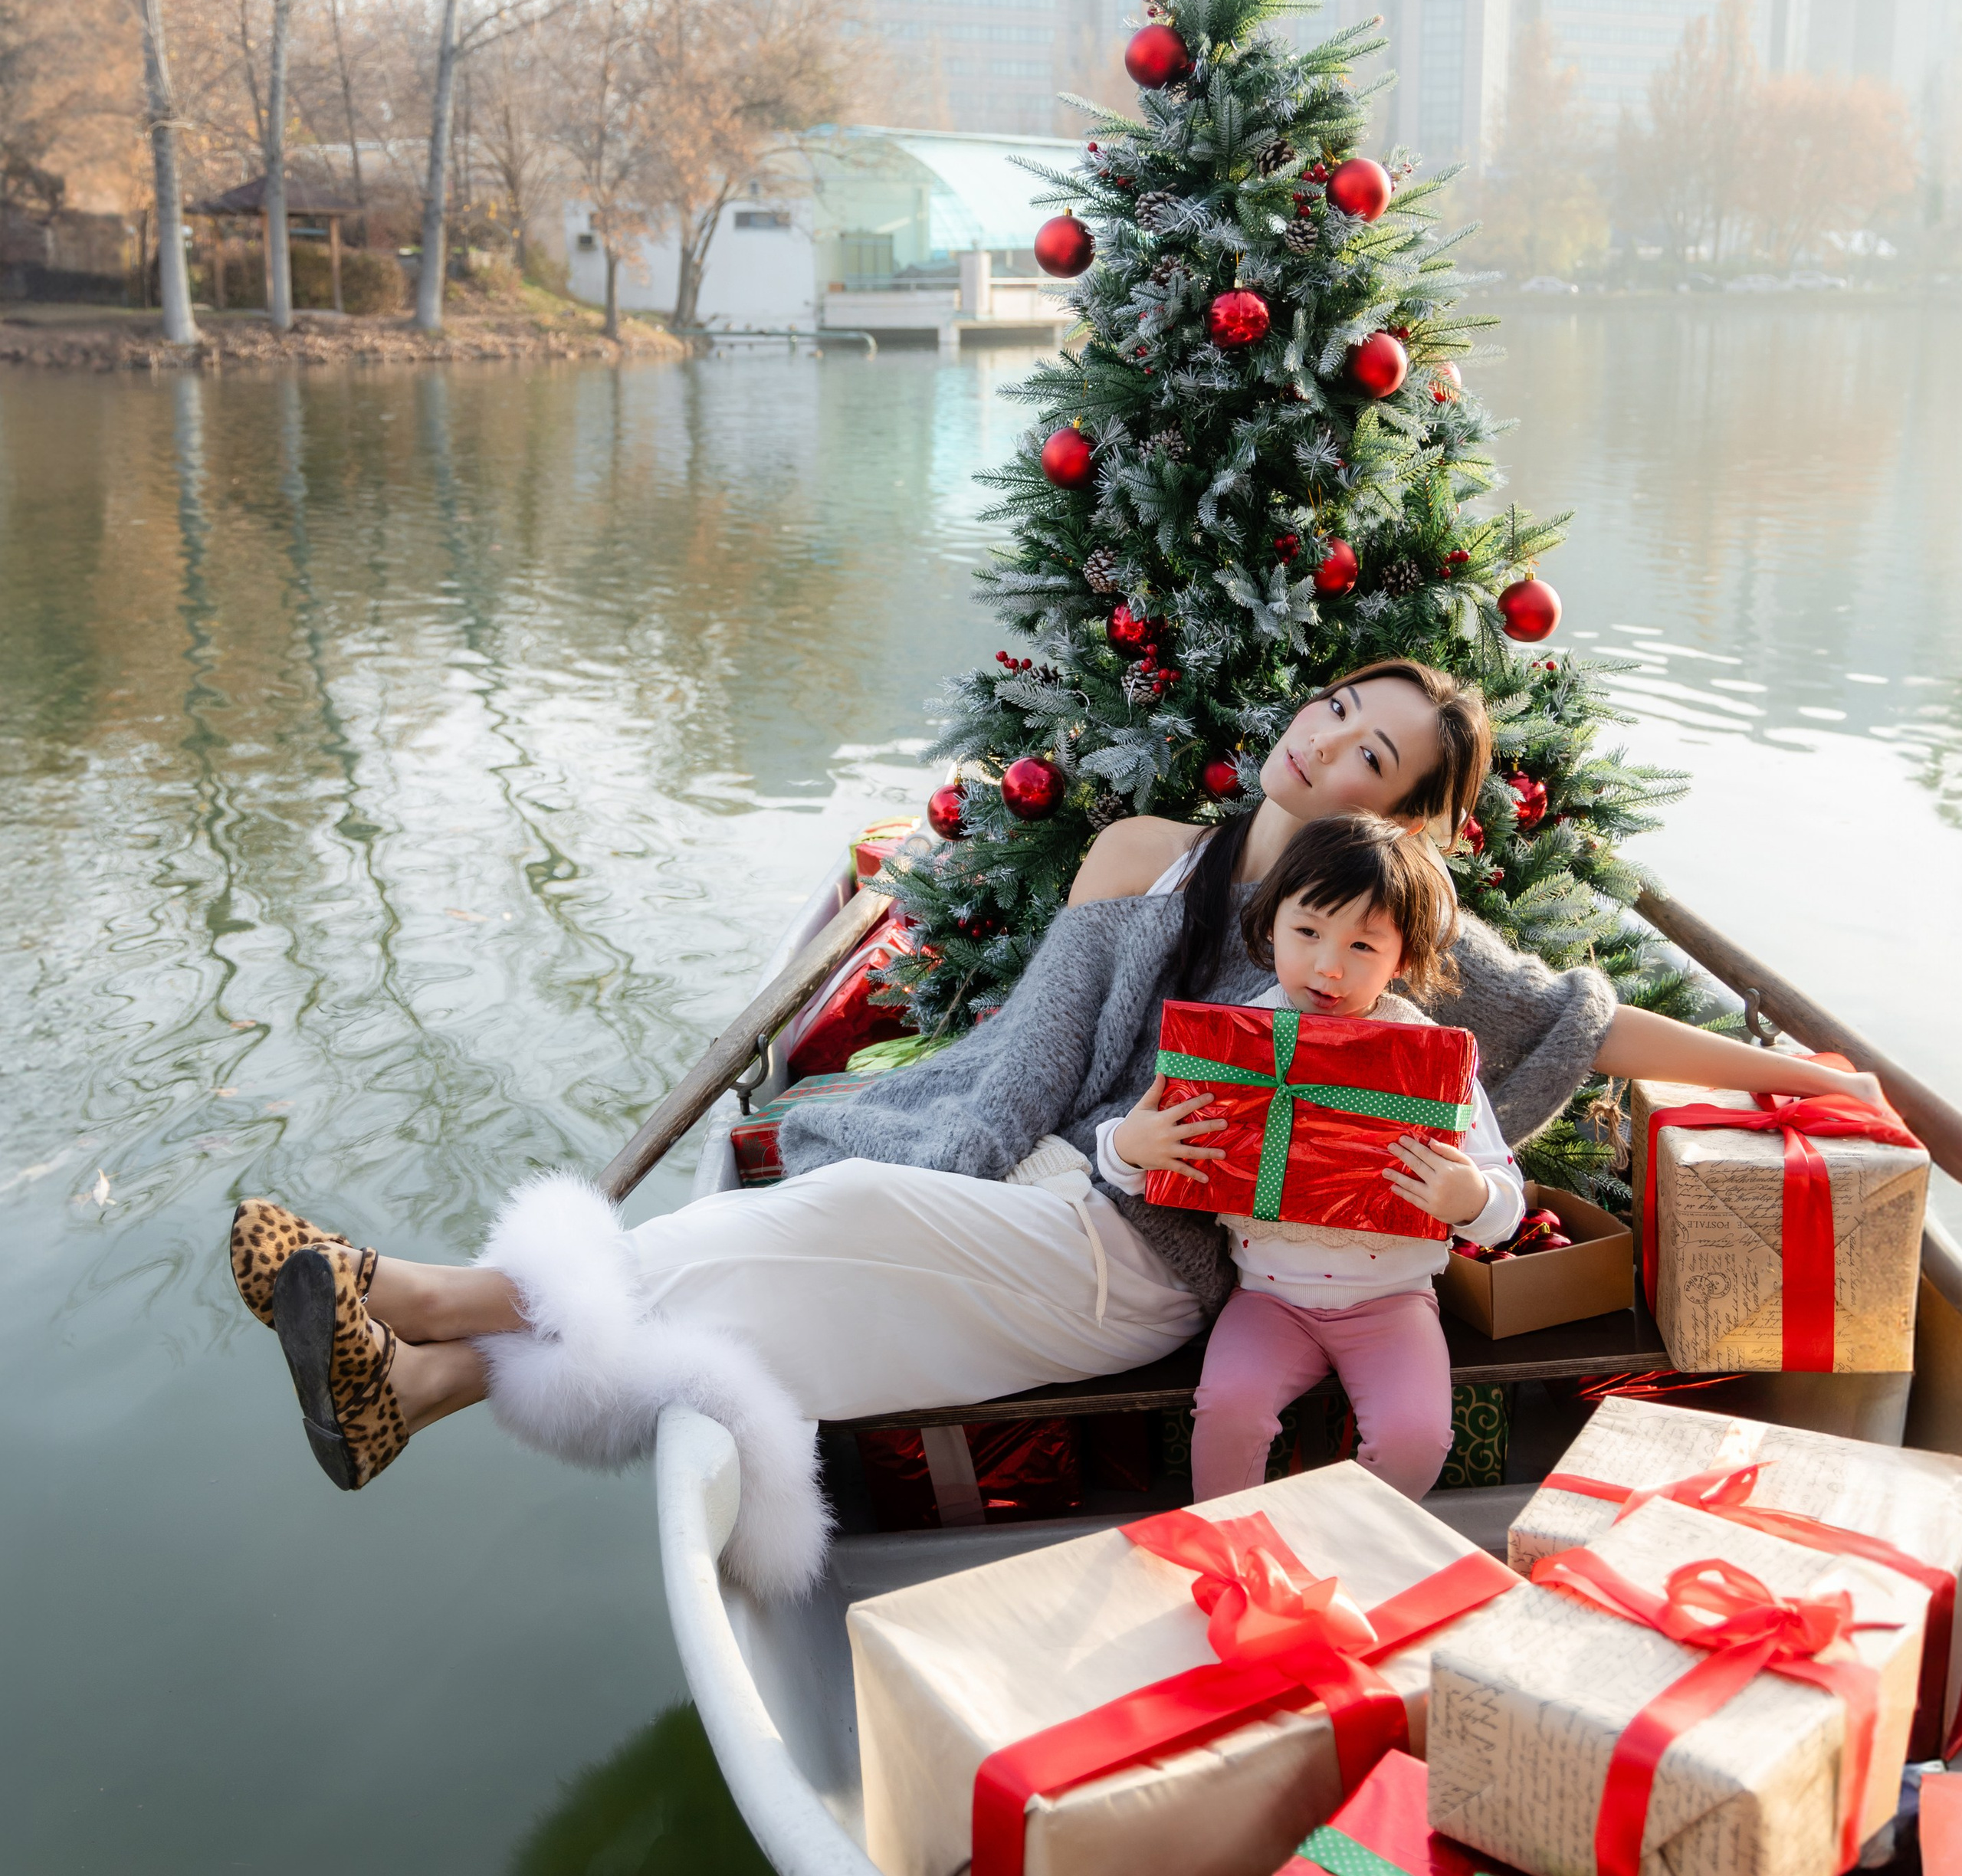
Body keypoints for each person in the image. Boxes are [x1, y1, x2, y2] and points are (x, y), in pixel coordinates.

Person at [227, 657, 1883, 1598]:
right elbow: (1021, 1065)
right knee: (784, 1262)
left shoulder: (1382, 935)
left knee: (809, 1232)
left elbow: (1582, 1022)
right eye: (1331, 708)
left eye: (1372, 752)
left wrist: (1804, 1082)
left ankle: (418, 1294)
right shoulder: (1143, 853)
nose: (1323, 740)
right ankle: (419, 1388)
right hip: (1041, 1189)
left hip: (1146, 1265)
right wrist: (950, 1143)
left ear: (1401, 817)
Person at [1100, 812, 1523, 1504]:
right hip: (1267, 1300)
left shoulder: (1431, 1060)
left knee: (1416, 1438)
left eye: (1363, 945)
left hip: (1394, 1304)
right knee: (1228, 1411)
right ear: (1271, 926)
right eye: (1307, 932)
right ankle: (1226, 1544)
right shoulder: (1234, 1038)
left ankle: (1341, 1545)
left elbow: (1506, 1202)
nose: (1329, 966)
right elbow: (1131, 1152)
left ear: (1402, 961)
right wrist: (1128, 1147)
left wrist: (1473, 1198)